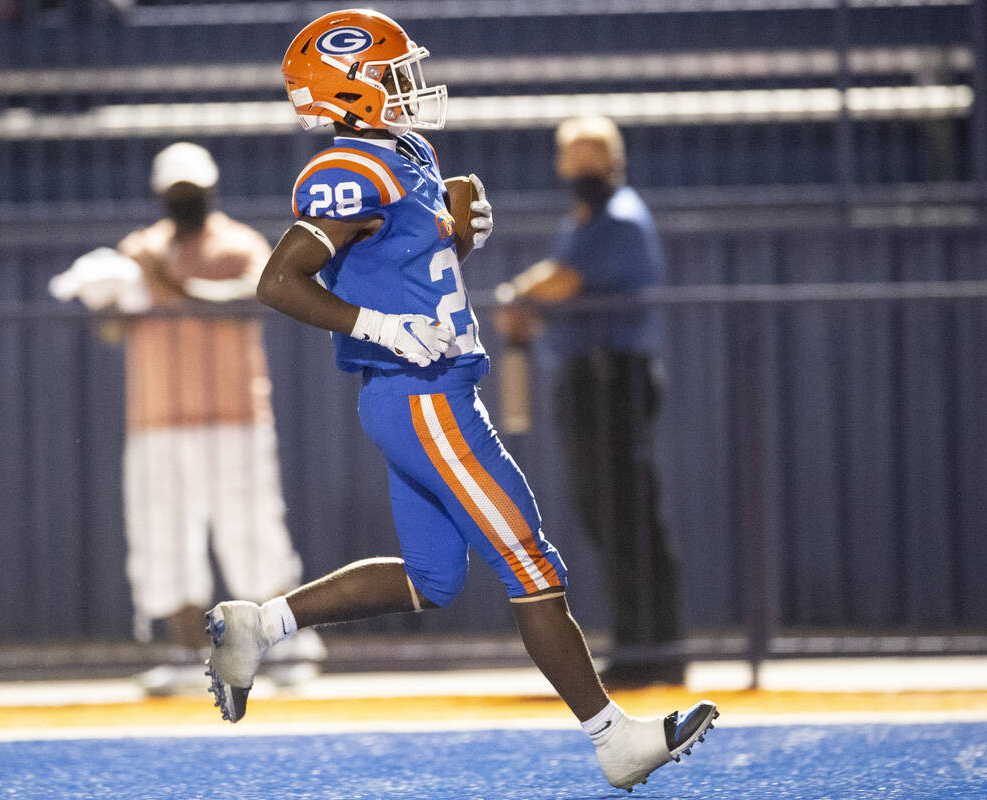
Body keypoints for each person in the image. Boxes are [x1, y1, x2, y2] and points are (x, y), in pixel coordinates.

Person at [202, 10, 717, 791]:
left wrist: (458, 233)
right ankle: (615, 739)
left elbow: (411, 271)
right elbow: (279, 280)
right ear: (348, 91)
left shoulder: (404, 153)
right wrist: (371, 322)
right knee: (530, 559)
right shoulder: (349, 168)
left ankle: (260, 625)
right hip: (424, 398)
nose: (410, 87)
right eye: (392, 75)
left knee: (430, 579)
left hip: (424, 390)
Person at [49, 142, 323, 695]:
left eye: (192, 193)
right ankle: (184, 651)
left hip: (234, 417)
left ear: (211, 192)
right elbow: (114, 330)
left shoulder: (239, 244)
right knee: (163, 538)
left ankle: (283, 645)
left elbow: (249, 299)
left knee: (252, 530)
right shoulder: (139, 251)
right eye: (176, 194)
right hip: (156, 422)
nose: (185, 202)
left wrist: (167, 283)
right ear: (160, 196)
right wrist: (105, 300)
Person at [494, 115, 682, 688]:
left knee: (626, 513)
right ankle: (641, 645)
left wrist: (518, 294)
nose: (581, 173)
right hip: (588, 378)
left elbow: (563, 280)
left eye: (591, 161)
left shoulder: (618, 220)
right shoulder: (584, 219)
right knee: (608, 513)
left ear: (614, 162)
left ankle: (654, 649)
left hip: (611, 380)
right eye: (572, 161)